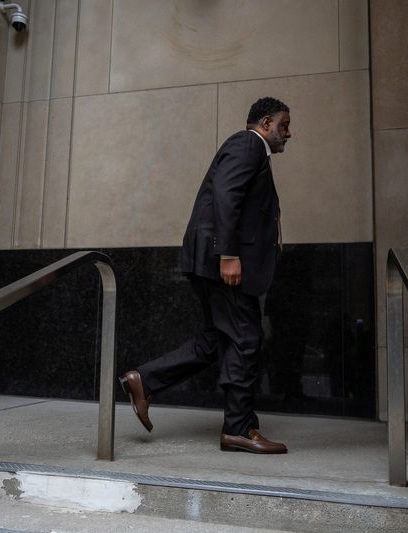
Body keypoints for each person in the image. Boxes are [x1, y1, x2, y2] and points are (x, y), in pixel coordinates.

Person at [120, 97, 292, 454]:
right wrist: (228, 254)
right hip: (222, 261)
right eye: (284, 125)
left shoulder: (252, 149)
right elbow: (226, 195)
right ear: (264, 122)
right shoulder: (248, 144)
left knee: (218, 339)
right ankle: (239, 429)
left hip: (213, 259)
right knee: (245, 338)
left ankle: (144, 380)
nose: (288, 133)